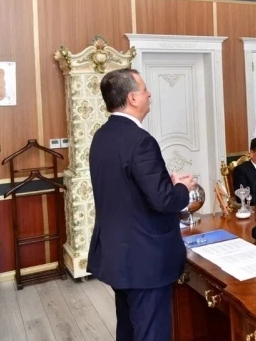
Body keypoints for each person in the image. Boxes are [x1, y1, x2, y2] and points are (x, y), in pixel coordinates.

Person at [88, 68, 196, 341]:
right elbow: (164, 201)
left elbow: (125, 187)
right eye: (145, 89)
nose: (150, 95)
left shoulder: (102, 136)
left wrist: (162, 184)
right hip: (145, 258)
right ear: (133, 98)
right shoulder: (140, 141)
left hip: (117, 253)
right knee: (151, 333)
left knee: (127, 329)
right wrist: (182, 188)